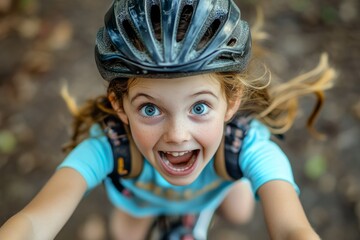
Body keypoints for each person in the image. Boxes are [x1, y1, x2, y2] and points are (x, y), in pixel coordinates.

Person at [0, 0, 335, 239]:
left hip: (213, 182)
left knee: (239, 212)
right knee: (123, 234)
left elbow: (293, 229)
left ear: (231, 102)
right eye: (150, 109)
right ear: (120, 105)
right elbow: (34, 220)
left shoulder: (247, 145)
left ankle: (206, 204)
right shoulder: (108, 144)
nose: (177, 135)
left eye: (200, 108)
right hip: (141, 201)